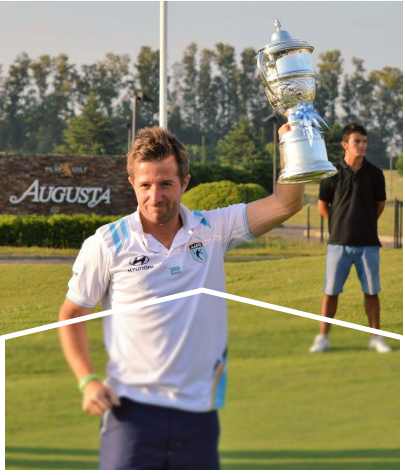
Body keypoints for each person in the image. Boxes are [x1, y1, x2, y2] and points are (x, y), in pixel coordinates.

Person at [58, 124, 302, 470]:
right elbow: (71, 314)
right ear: (132, 184)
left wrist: (295, 141)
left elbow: (286, 202)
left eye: (166, 184)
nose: (155, 196)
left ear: (185, 182)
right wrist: (86, 379)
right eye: (145, 185)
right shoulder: (106, 244)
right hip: (130, 413)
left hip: (197, 414)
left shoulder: (214, 229)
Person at [310, 123, 391, 353]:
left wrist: (364, 225)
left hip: (368, 245)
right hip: (338, 244)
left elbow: (380, 205)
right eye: (358, 141)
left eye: (365, 141)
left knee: (372, 292)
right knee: (331, 292)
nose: (363, 145)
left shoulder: (376, 174)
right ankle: (323, 338)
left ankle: (376, 337)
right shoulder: (331, 172)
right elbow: (322, 205)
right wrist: (338, 225)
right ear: (345, 144)